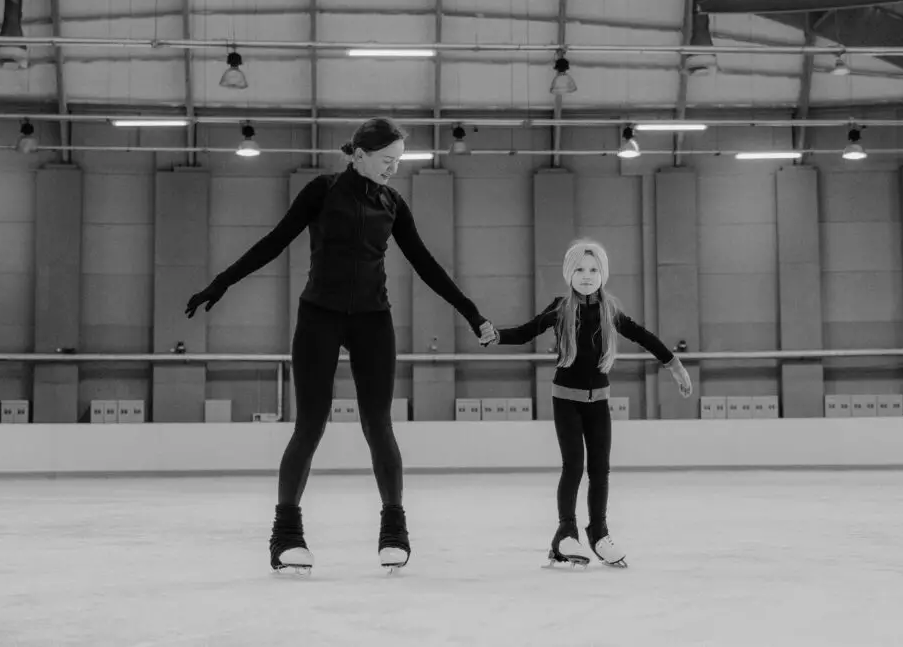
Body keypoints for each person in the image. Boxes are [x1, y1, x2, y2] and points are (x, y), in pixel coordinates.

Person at [185, 118, 497, 574]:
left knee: (378, 425)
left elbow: (426, 263)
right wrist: (221, 283)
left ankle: (394, 530)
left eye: (398, 162)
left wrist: (471, 312)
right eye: (387, 161)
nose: (393, 169)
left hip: (373, 319)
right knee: (310, 425)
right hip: (320, 317)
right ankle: (286, 536)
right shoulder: (323, 190)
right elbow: (274, 242)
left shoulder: (393, 203)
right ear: (360, 154)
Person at [483, 238, 691, 568]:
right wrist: (497, 335)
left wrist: (674, 366)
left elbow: (643, 336)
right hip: (566, 400)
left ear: (603, 274)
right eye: (579, 269)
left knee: (600, 469)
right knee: (574, 467)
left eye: (594, 269)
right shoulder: (560, 308)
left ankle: (599, 532)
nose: (586, 275)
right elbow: (526, 332)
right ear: (569, 273)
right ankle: (566, 533)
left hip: (599, 403)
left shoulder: (610, 311)